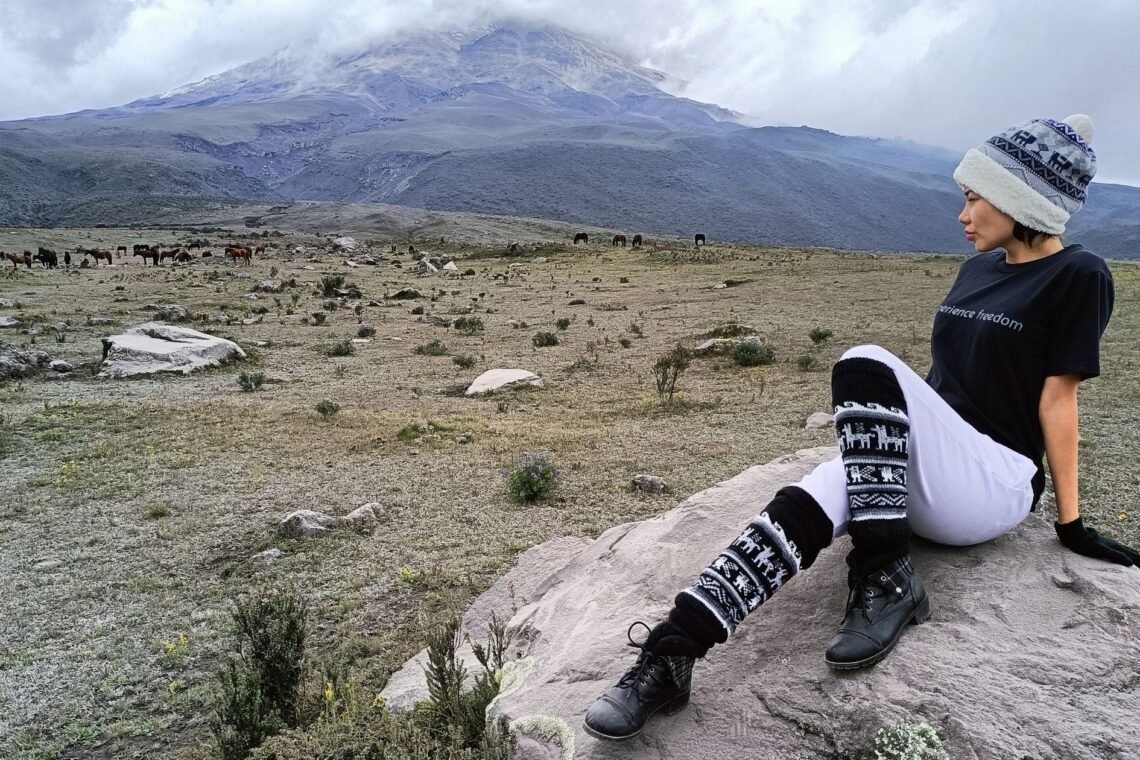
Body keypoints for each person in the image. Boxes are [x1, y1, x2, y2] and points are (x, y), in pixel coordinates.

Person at [583, 114, 1140, 742]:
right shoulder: (978, 271)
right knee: (818, 492)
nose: (962, 212)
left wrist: (1069, 523)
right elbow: (944, 383)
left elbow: (1058, 401)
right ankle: (670, 655)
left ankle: (884, 574)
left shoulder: (1080, 274)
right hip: (936, 471)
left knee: (863, 362)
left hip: (995, 480)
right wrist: (882, 456)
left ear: (1018, 200)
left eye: (973, 196)